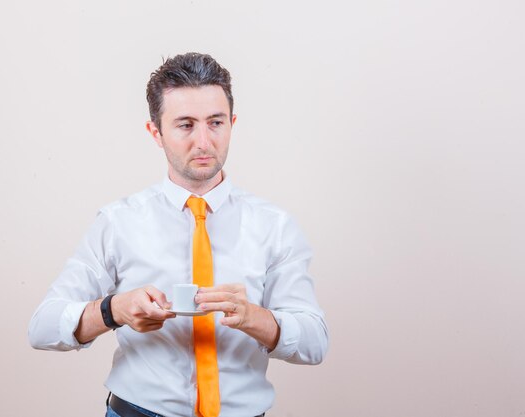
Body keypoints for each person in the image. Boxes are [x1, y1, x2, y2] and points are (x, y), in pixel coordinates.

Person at [28, 52, 329, 417]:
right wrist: (113, 310)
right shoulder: (118, 222)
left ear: (232, 123)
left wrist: (254, 317)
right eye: (185, 125)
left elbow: (315, 343)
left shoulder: (274, 226)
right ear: (155, 132)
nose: (204, 141)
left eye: (215, 122)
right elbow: (43, 327)